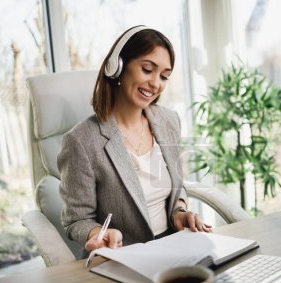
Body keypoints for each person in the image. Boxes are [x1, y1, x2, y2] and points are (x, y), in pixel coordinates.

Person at [57, 25, 212, 254]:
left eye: (164, 76)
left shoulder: (169, 121)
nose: (155, 83)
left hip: (175, 247)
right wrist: (97, 234)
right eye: (147, 69)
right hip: (124, 257)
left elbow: (176, 189)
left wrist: (179, 213)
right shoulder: (81, 141)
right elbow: (77, 220)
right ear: (117, 67)